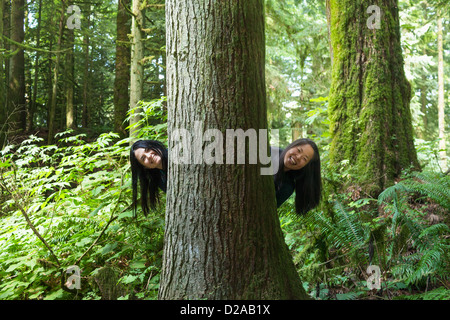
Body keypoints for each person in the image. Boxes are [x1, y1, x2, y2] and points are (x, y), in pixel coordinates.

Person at [272, 138, 322, 216]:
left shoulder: (286, 186)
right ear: (291, 146)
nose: (298, 157)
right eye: (299, 150)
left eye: (304, 159)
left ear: (304, 166)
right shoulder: (270, 152)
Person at [130, 140, 168, 216]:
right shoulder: (159, 179)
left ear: (154, 146)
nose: (149, 156)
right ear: (145, 167)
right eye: (143, 158)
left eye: (148, 150)